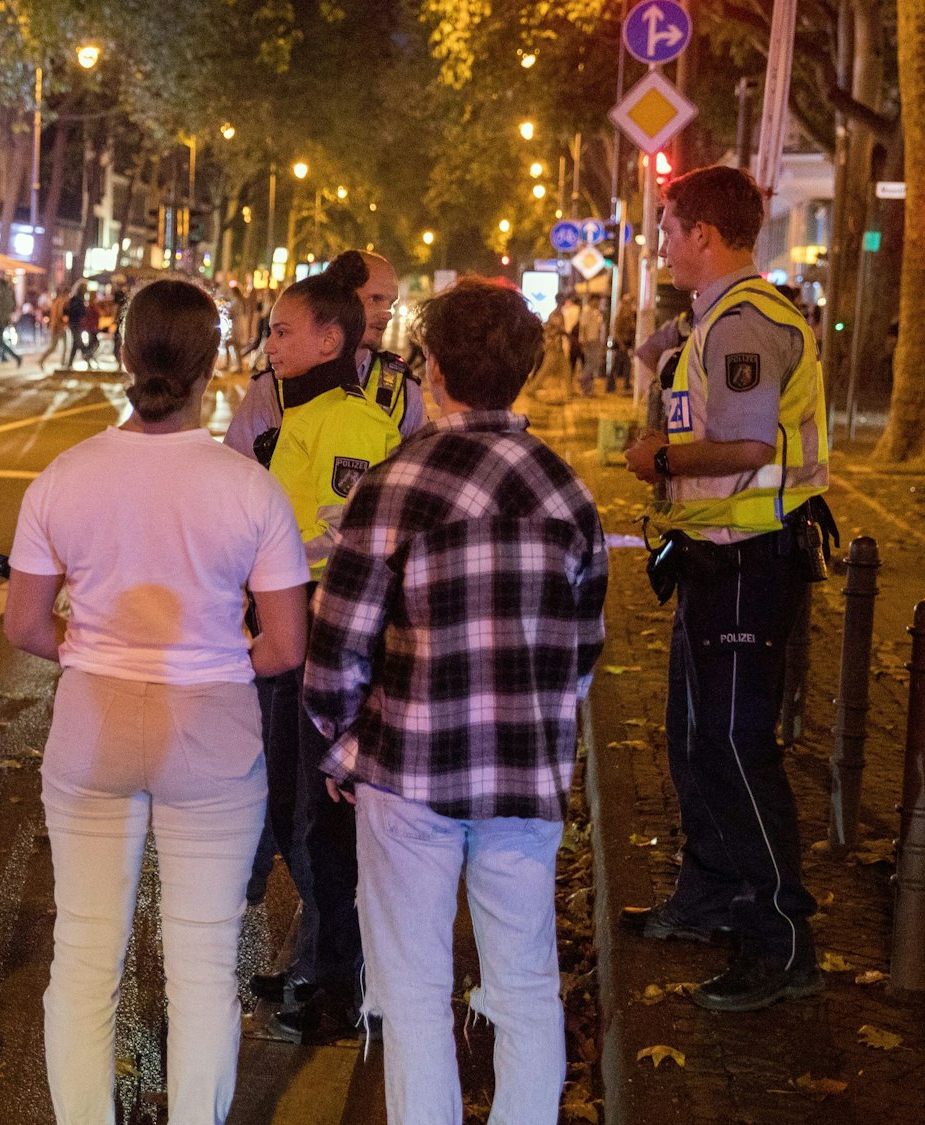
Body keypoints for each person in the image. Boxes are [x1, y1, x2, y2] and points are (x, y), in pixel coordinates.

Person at [2, 278, 310, 1125]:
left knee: (85, 952)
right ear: (215, 363)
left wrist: (93, 649)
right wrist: (213, 657)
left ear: (119, 352)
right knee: (205, 962)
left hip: (93, 724)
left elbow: (25, 623)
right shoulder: (249, 488)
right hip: (211, 727)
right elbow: (285, 645)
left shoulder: (64, 477)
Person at [302, 277, 606, 1125]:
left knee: (413, 994)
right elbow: (584, 651)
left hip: (408, 772)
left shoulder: (398, 481)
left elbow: (338, 643)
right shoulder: (567, 490)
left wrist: (341, 738)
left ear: (431, 368)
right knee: (526, 988)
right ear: (528, 371)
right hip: (523, 781)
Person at [620, 165, 833, 1012]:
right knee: (695, 737)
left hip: (750, 559)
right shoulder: (711, 321)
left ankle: (780, 939)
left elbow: (745, 449)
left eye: (668, 228)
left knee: (739, 747)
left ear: (704, 235)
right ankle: (707, 896)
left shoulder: (745, 323)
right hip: (715, 557)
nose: (661, 243)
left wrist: (659, 461)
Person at [225, 263, 405, 1045]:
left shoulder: (356, 424)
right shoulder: (298, 413)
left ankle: (342, 973)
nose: (270, 343)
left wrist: (272, 560)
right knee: (286, 805)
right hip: (286, 628)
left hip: (328, 639)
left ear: (332, 338)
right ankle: (326, 957)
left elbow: (349, 537)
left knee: (317, 817)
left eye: (282, 329)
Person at [225, 250, 425, 461]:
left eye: (390, 304)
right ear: (338, 298)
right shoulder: (271, 388)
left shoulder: (404, 392)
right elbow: (235, 474)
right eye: (376, 299)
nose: (387, 313)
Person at [0, 275, 22, 369]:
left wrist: (0, 318)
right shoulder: (0, 293)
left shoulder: (5, 293)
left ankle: (15, 358)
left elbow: (4, 308)